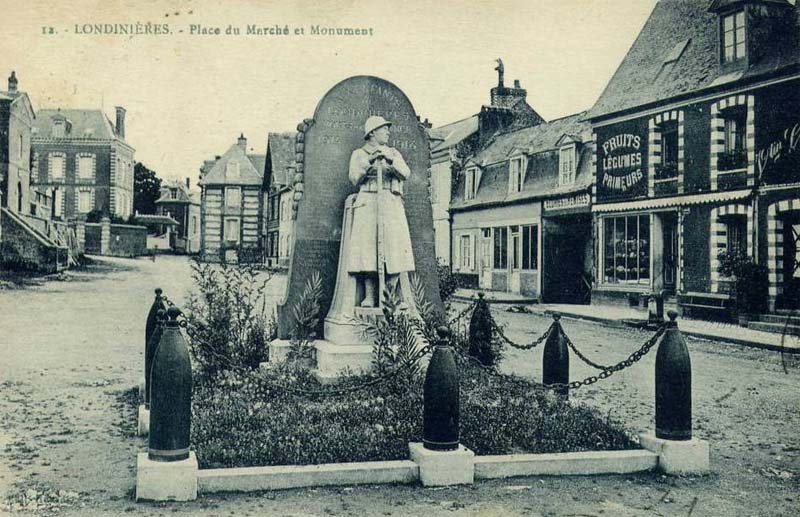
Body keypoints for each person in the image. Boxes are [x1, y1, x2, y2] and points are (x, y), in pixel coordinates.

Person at [347, 116, 415, 307]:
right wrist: (370, 160)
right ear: (373, 133)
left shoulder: (393, 152)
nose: (388, 132)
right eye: (384, 129)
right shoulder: (359, 154)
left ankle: (389, 296)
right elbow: (354, 177)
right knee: (367, 250)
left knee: (395, 249)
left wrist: (390, 160)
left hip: (390, 202)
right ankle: (369, 296)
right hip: (368, 201)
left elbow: (406, 173)